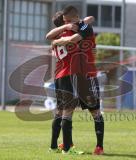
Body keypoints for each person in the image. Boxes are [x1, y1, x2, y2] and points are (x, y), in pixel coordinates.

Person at [47, 7, 104, 155]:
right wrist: (76, 24)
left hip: (60, 75)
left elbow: (88, 19)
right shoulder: (77, 32)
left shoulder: (55, 38)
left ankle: (55, 145)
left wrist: (61, 36)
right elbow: (87, 22)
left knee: (61, 112)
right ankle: (73, 147)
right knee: (93, 112)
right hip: (83, 74)